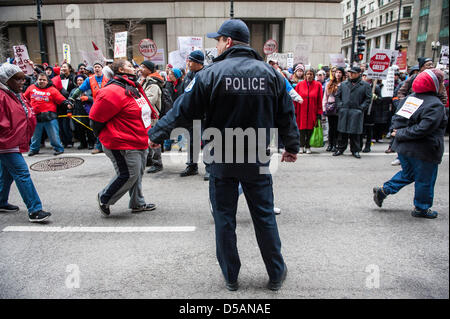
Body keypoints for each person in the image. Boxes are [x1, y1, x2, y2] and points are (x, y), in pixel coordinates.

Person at [148, 19, 299, 291]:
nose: (215, 46)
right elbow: (286, 113)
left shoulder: (210, 74)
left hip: (221, 158)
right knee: (264, 217)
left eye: (217, 41)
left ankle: (231, 275)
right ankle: (276, 274)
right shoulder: (271, 74)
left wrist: (155, 135)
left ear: (227, 42)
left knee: (224, 219)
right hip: (257, 157)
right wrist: (292, 146)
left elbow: (182, 111)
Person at [373, 69, 448, 219]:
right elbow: (423, 129)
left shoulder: (410, 99)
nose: (443, 86)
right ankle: (421, 207)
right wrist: (400, 133)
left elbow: (396, 120)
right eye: (441, 83)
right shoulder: (435, 105)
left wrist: (398, 134)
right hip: (424, 149)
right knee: (425, 179)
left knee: (409, 174)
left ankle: (384, 190)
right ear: (433, 84)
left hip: (404, 148)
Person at [89, 59, 158, 216]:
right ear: (120, 70)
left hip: (139, 138)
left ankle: (137, 203)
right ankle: (105, 197)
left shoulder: (133, 87)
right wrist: (105, 136)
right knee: (129, 174)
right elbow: (95, 119)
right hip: (122, 142)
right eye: (129, 66)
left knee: (137, 174)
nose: (134, 68)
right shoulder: (112, 91)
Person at [0, 63, 52, 223]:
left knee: (7, 174)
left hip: (13, 141)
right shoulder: (2, 96)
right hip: (6, 143)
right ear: (6, 79)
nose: (23, 82)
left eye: (24, 79)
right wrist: (9, 137)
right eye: (18, 79)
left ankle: (1, 201)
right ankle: (35, 209)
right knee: (22, 173)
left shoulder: (15, 93)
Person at [24, 73, 70, 156]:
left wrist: (67, 104)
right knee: (35, 136)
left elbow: (61, 99)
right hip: (36, 117)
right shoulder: (31, 88)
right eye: (40, 79)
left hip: (50, 117)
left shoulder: (52, 89)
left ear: (47, 81)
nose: (41, 81)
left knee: (54, 136)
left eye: (44, 80)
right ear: (37, 80)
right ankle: (34, 149)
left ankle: (58, 148)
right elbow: (24, 99)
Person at [70, 61, 109, 154]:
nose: (97, 68)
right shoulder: (89, 80)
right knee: (97, 127)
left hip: (108, 106)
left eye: (99, 66)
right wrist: (72, 98)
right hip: (97, 106)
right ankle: (99, 146)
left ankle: (111, 146)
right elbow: (80, 89)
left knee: (110, 127)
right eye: (95, 67)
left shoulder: (108, 78)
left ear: (102, 68)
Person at [333, 66, 372, 159]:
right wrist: (340, 106)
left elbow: (368, 98)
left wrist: (361, 108)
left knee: (355, 133)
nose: (351, 74)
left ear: (359, 74)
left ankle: (355, 150)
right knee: (342, 132)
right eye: (350, 72)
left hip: (356, 111)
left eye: (353, 73)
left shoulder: (365, 85)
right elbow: (338, 96)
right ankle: (340, 148)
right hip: (344, 110)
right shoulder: (343, 84)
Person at [179, 50, 207, 178]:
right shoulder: (189, 75)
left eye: (191, 61)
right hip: (192, 116)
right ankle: (192, 165)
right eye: (188, 60)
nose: (188, 63)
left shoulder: (206, 75)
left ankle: (210, 168)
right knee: (192, 141)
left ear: (198, 62)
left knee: (207, 141)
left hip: (205, 115)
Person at [139, 60, 164, 174]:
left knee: (154, 139)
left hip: (152, 116)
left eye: (143, 67)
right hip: (146, 116)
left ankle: (157, 162)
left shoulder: (153, 84)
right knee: (147, 139)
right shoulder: (145, 81)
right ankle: (150, 160)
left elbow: (148, 101)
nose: (140, 69)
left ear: (149, 69)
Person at [294, 68, 323, 154]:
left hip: (312, 111)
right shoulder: (299, 85)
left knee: (310, 129)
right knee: (301, 129)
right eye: (307, 74)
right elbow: (295, 98)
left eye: (311, 74)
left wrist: (319, 112)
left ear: (313, 75)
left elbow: (319, 100)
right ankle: (301, 146)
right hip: (301, 110)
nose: (309, 76)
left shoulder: (318, 85)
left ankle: (308, 146)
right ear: (305, 75)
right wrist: (294, 111)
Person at [52, 62, 77, 148]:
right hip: (59, 104)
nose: (63, 69)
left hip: (69, 103)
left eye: (65, 67)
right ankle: (64, 141)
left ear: (69, 69)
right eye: (62, 67)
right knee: (60, 125)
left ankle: (70, 140)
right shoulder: (57, 79)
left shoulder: (73, 78)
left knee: (67, 124)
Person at [323, 66, 345, 152]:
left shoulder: (344, 84)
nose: (338, 74)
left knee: (337, 128)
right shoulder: (329, 83)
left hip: (340, 108)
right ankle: (330, 144)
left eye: (340, 72)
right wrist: (324, 108)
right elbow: (325, 96)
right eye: (336, 72)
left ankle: (336, 144)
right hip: (331, 107)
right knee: (331, 127)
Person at [70, 74, 95, 150]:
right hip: (77, 111)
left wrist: (88, 98)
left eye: (81, 80)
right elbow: (70, 101)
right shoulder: (73, 91)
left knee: (89, 129)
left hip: (87, 111)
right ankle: (83, 143)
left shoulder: (90, 89)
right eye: (78, 80)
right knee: (79, 129)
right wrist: (69, 110)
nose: (79, 82)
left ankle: (91, 143)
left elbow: (95, 99)